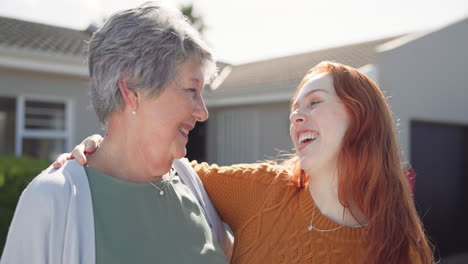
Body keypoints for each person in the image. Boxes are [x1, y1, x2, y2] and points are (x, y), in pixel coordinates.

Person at [52, 62, 434, 263]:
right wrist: (110, 145)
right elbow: (170, 166)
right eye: (294, 108)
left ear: (361, 117)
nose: (297, 116)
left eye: (315, 102)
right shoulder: (264, 190)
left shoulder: (400, 245)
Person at [0, 3, 231, 264]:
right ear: (132, 92)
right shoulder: (52, 199)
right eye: (191, 89)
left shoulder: (197, 187)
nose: (203, 112)